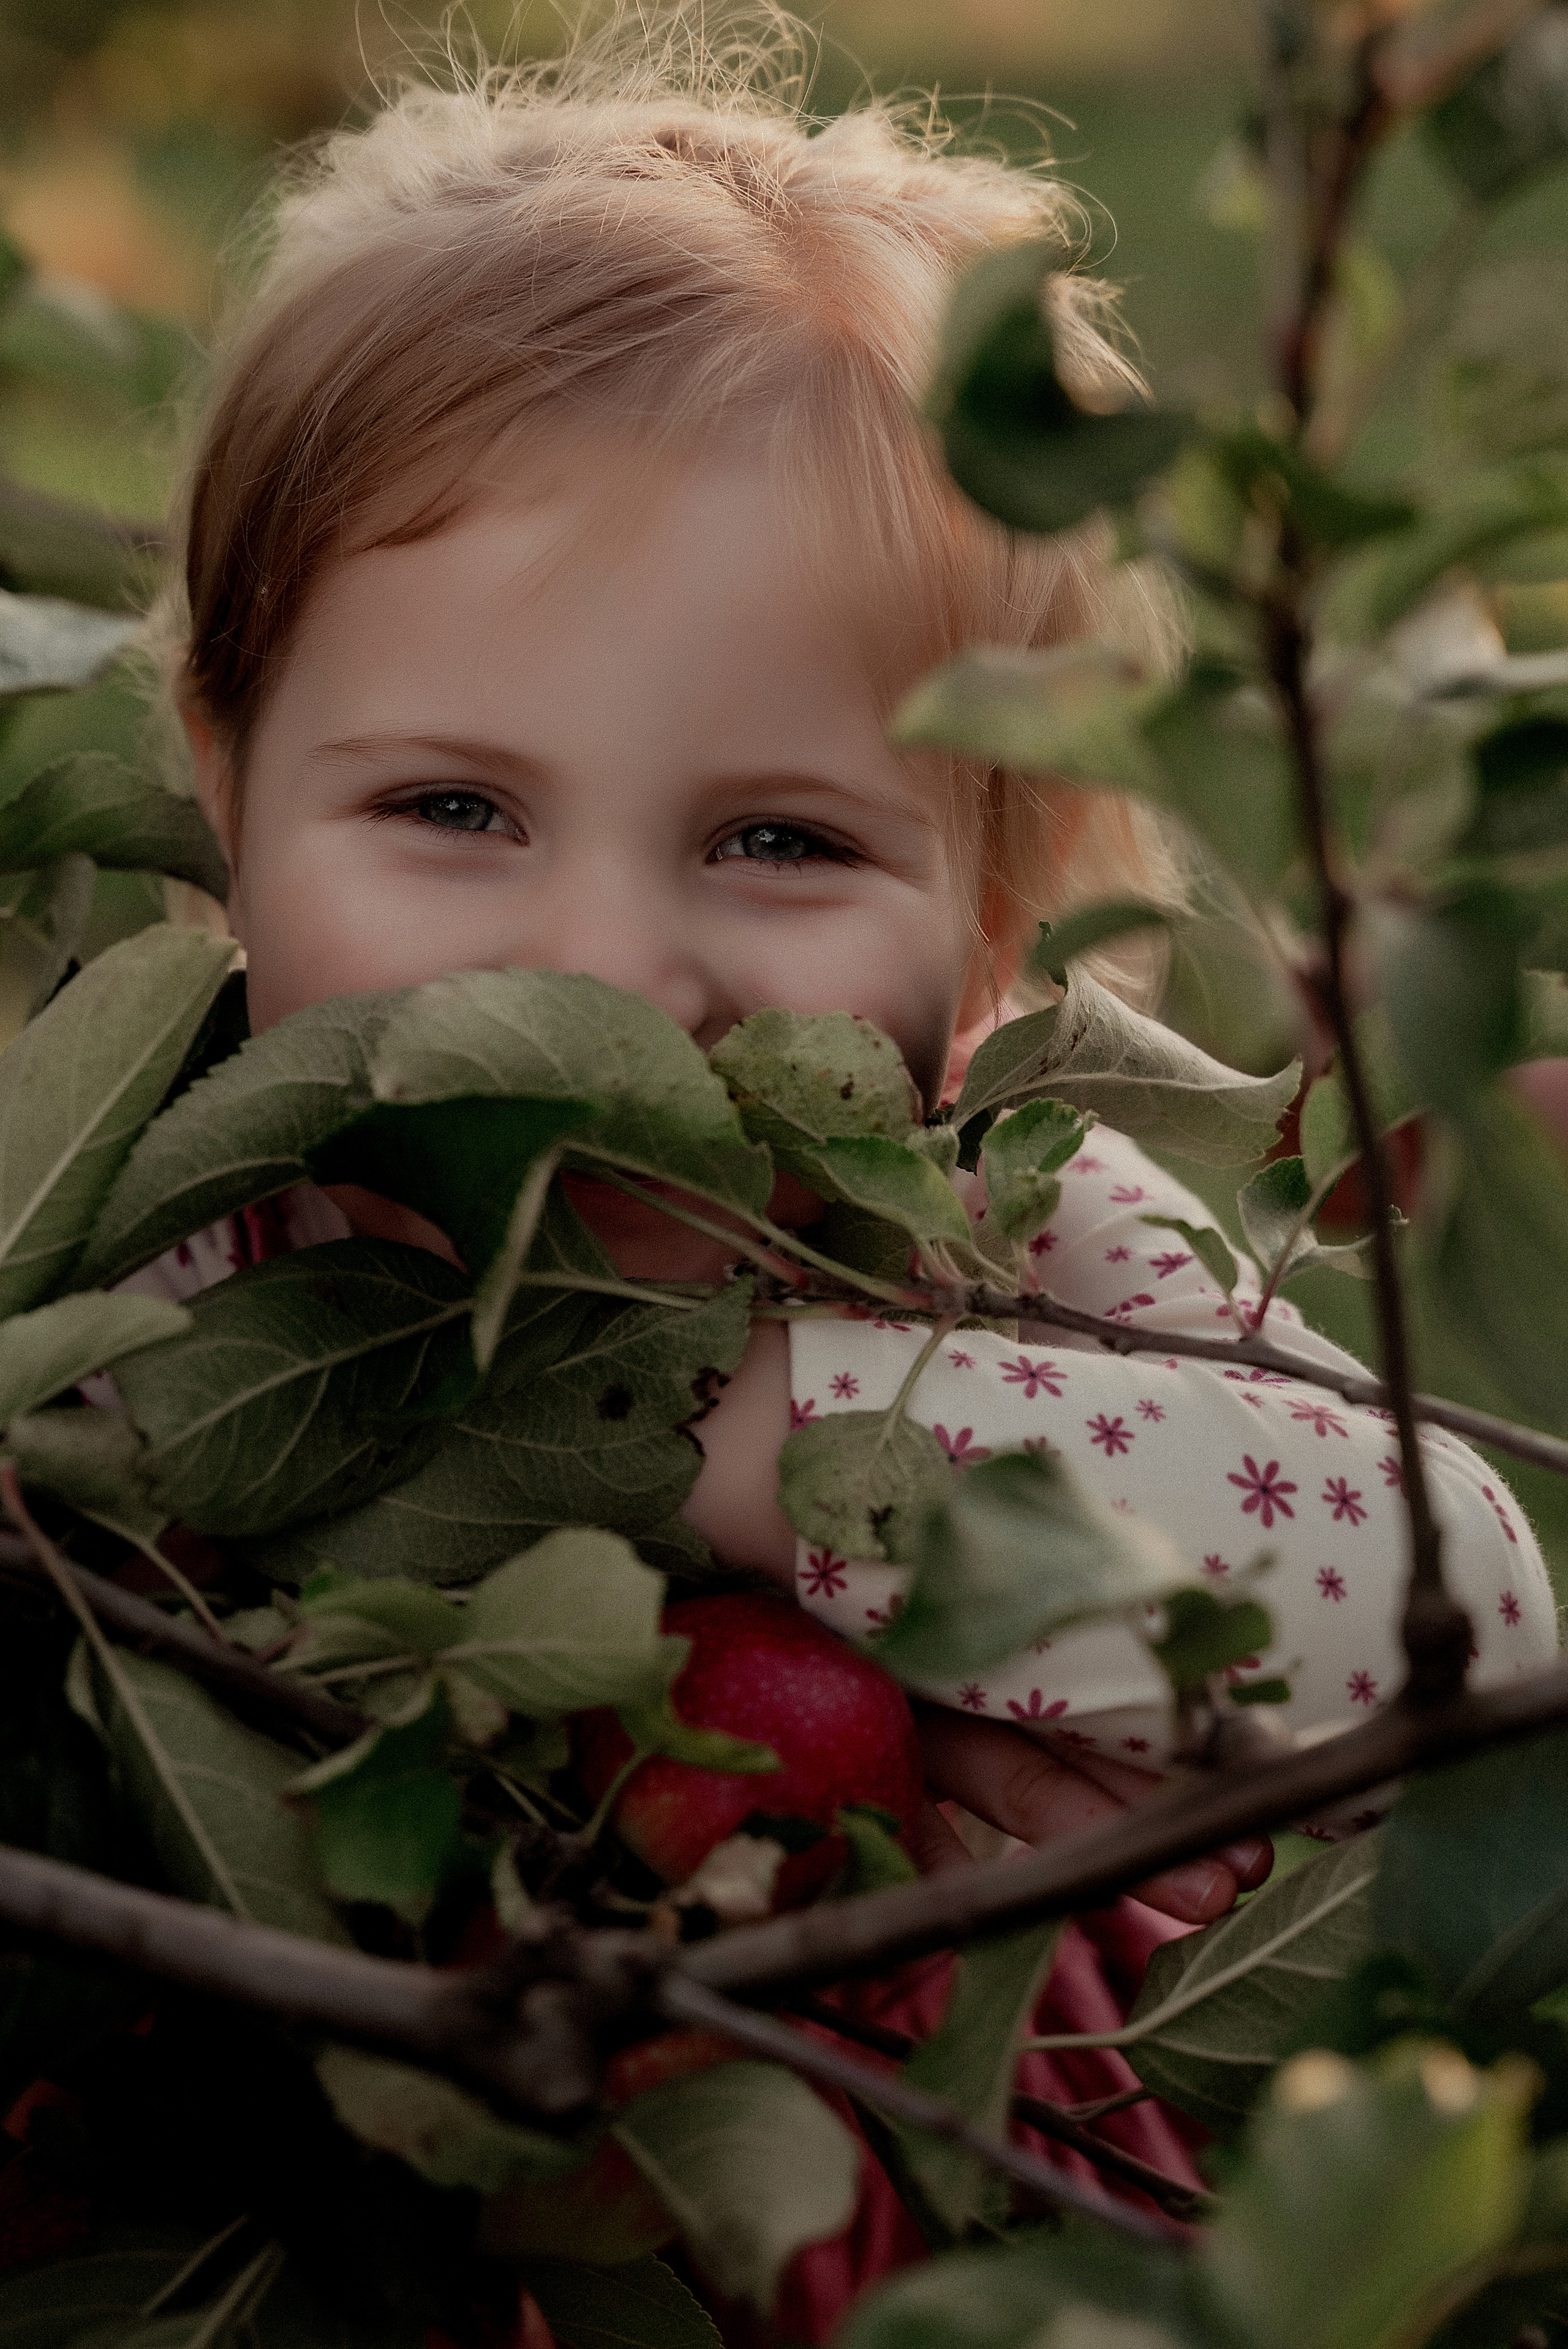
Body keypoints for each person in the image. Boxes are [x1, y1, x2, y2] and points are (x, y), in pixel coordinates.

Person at [130, 6, 1555, 2312]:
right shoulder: (172, 1261)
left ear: (988, 934)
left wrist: (719, 1439)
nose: (605, 968)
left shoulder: (1005, 1230)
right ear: (220, 773)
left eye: (778, 840)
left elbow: (1460, 1606)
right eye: (452, 809)